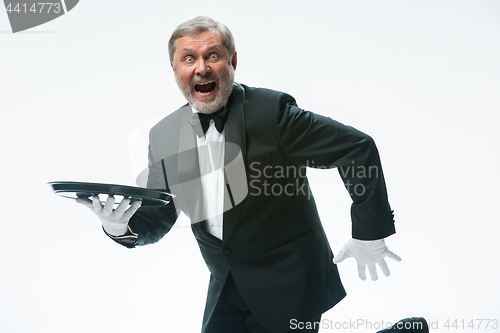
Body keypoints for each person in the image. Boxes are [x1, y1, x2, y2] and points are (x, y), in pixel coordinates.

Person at [76, 16, 405, 333]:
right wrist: (119, 227)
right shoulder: (164, 136)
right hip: (226, 285)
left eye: (213, 55)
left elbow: (356, 148)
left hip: (289, 281)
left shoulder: (271, 113)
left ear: (232, 60)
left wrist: (369, 230)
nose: (201, 67)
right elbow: (160, 214)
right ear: (175, 69)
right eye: (188, 58)